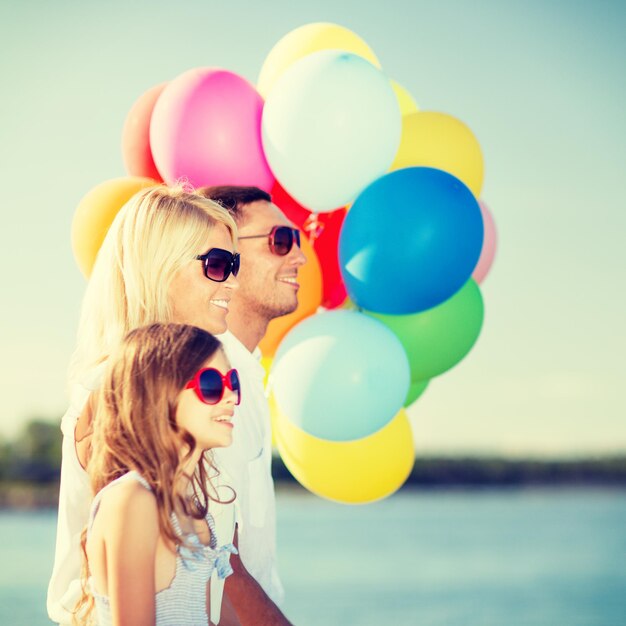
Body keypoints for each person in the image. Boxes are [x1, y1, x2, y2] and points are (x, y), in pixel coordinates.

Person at [48, 185, 249, 624]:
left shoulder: (188, 392)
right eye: (217, 265)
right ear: (158, 270)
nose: (233, 280)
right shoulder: (115, 392)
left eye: (234, 265)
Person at [76, 323, 241, 626]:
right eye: (211, 385)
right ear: (158, 396)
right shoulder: (132, 500)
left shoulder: (191, 510)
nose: (230, 397)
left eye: (233, 382)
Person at [196, 186, 306, 623]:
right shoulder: (208, 379)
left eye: (298, 241)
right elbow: (215, 558)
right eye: (280, 240)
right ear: (225, 253)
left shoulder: (249, 373)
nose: (298, 257)